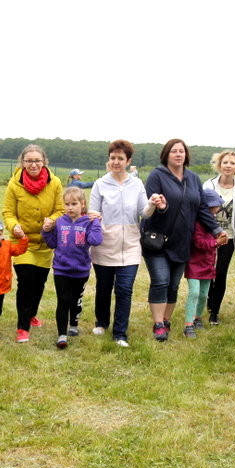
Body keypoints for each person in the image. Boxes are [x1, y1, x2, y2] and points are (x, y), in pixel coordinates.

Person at [142, 139, 226, 341]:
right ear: (166, 155)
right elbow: (149, 206)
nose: (178, 154)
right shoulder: (157, 176)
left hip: (182, 242)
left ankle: (166, 320)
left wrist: (216, 230)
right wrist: (161, 206)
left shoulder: (193, 179)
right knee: (161, 281)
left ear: (186, 155)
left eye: (181, 151)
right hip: (158, 240)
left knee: (173, 285)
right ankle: (158, 324)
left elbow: (202, 208)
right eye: (174, 151)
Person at [88, 140, 149, 347]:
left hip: (130, 245)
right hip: (105, 244)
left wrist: (153, 204)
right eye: (112, 158)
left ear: (128, 161)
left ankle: (120, 333)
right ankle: (101, 322)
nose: (116, 162)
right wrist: (94, 217)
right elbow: (93, 211)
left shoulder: (137, 184)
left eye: (120, 158)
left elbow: (144, 212)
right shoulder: (100, 184)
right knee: (104, 287)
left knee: (124, 289)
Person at [2, 144, 64, 342]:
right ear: (22, 162)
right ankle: (23, 327)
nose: (33, 164)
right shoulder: (14, 184)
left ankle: (31, 314)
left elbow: (60, 209)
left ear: (44, 161)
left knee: (39, 283)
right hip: (23, 242)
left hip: (45, 242)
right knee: (26, 281)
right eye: (29, 161)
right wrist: (14, 227)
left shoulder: (55, 183)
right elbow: (8, 212)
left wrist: (52, 220)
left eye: (37, 160)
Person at [42, 187, 103, 348]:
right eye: (67, 204)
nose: (70, 207)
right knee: (63, 300)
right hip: (61, 269)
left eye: (74, 204)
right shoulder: (59, 222)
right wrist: (46, 231)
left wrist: (96, 222)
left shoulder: (89, 221)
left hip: (81, 270)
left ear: (82, 204)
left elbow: (95, 240)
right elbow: (52, 243)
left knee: (75, 300)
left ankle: (74, 324)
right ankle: (62, 335)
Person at [203, 150, 235, 325]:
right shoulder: (208, 185)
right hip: (210, 236)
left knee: (221, 274)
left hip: (228, 238)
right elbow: (202, 211)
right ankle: (209, 299)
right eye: (225, 162)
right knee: (208, 272)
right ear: (219, 165)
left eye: (232, 163)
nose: (228, 166)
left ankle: (214, 312)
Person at [182, 188, 222, 338]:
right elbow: (198, 242)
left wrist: (220, 239)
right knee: (194, 293)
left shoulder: (213, 223)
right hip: (194, 263)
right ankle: (188, 324)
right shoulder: (197, 223)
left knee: (204, 295)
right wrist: (216, 242)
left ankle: (197, 318)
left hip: (208, 264)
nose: (217, 209)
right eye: (215, 207)